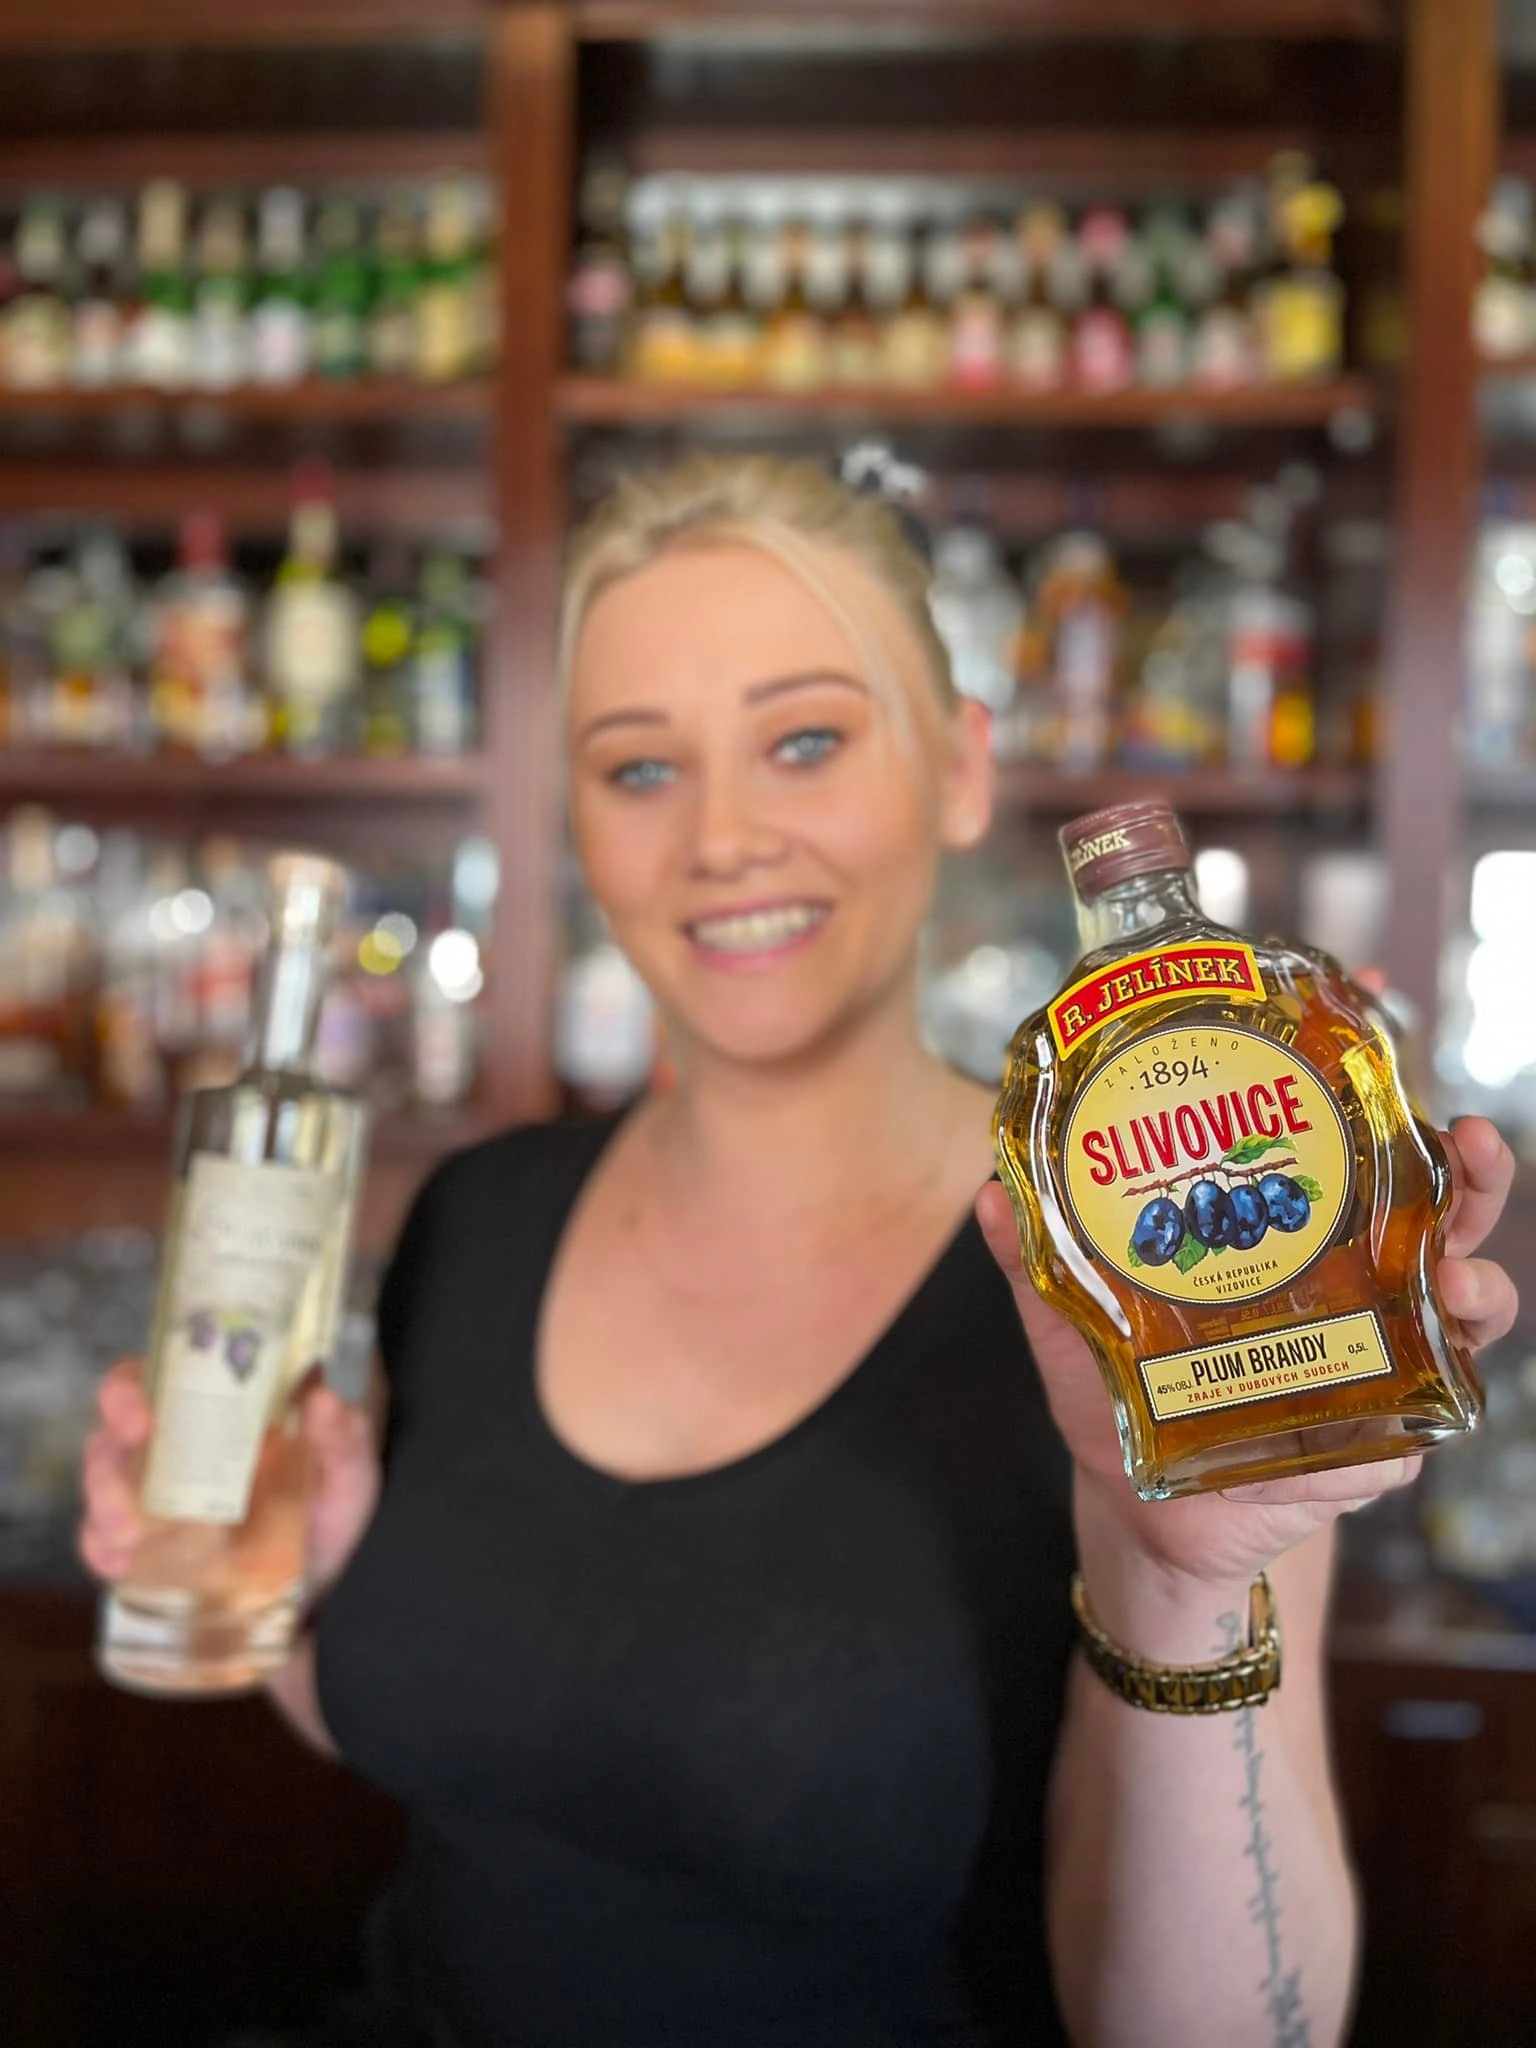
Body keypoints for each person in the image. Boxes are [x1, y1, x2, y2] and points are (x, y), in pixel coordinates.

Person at [81, 454, 1519, 2048]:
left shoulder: (1143, 1278)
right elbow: (494, 1767)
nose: (722, 837)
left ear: (959, 770)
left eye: (808, 741)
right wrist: (298, 1593)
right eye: (640, 767)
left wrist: (1172, 1585)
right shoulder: (479, 1215)